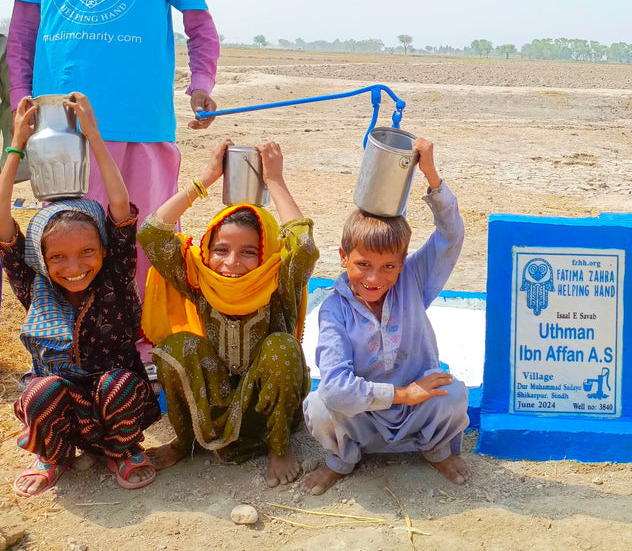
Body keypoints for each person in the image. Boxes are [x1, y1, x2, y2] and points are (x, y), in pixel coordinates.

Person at [4, 0, 220, 300]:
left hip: (140, 121)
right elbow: (24, 28)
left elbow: (199, 23)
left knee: (145, 244)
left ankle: (143, 347)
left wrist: (201, 83)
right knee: (69, 244)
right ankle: (71, 350)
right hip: (60, 127)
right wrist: (22, 96)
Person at [0, 93, 160, 497]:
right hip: (61, 412)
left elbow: (121, 209)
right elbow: (2, 225)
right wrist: (17, 143)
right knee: (40, 390)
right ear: (41, 259)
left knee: (119, 383)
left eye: (87, 252)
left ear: (106, 251)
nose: (74, 268)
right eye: (59, 257)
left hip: (116, 407)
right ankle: (52, 456)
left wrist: (93, 135)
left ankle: (122, 452)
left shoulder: (114, 279)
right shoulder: (34, 286)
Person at [138, 139, 317, 487]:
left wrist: (275, 180)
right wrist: (205, 179)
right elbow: (151, 234)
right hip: (213, 400)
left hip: (263, 407)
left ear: (265, 254)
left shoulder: (277, 281)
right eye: (221, 249)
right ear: (207, 250)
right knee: (177, 347)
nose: (232, 263)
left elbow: (304, 247)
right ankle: (185, 442)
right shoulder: (201, 278)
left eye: (249, 251)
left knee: (282, 347)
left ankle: (279, 448)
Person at [301, 138, 470, 495]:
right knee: (320, 405)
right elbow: (337, 390)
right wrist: (402, 393)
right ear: (344, 257)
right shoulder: (334, 309)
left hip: (416, 412)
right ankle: (342, 460)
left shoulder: (413, 280)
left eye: (389, 266)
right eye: (363, 265)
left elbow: (451, 235)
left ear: (403, 262)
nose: (375, 279)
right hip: (364, 417)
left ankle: (435, 450)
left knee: (453, 394)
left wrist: (431, 175)